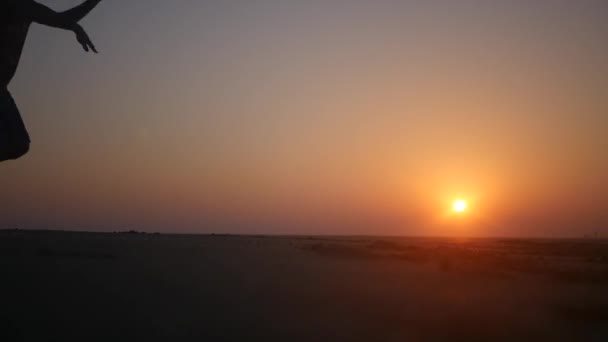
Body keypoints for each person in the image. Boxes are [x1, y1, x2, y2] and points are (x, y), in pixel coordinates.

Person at [1, 0, 102, 162]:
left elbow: (60, 19)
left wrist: (75, 26)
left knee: (18, 144)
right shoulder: (16, 5)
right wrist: (74, 26)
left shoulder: (26, 7)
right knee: (16, 143)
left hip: (2, 90)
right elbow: (61, 20)